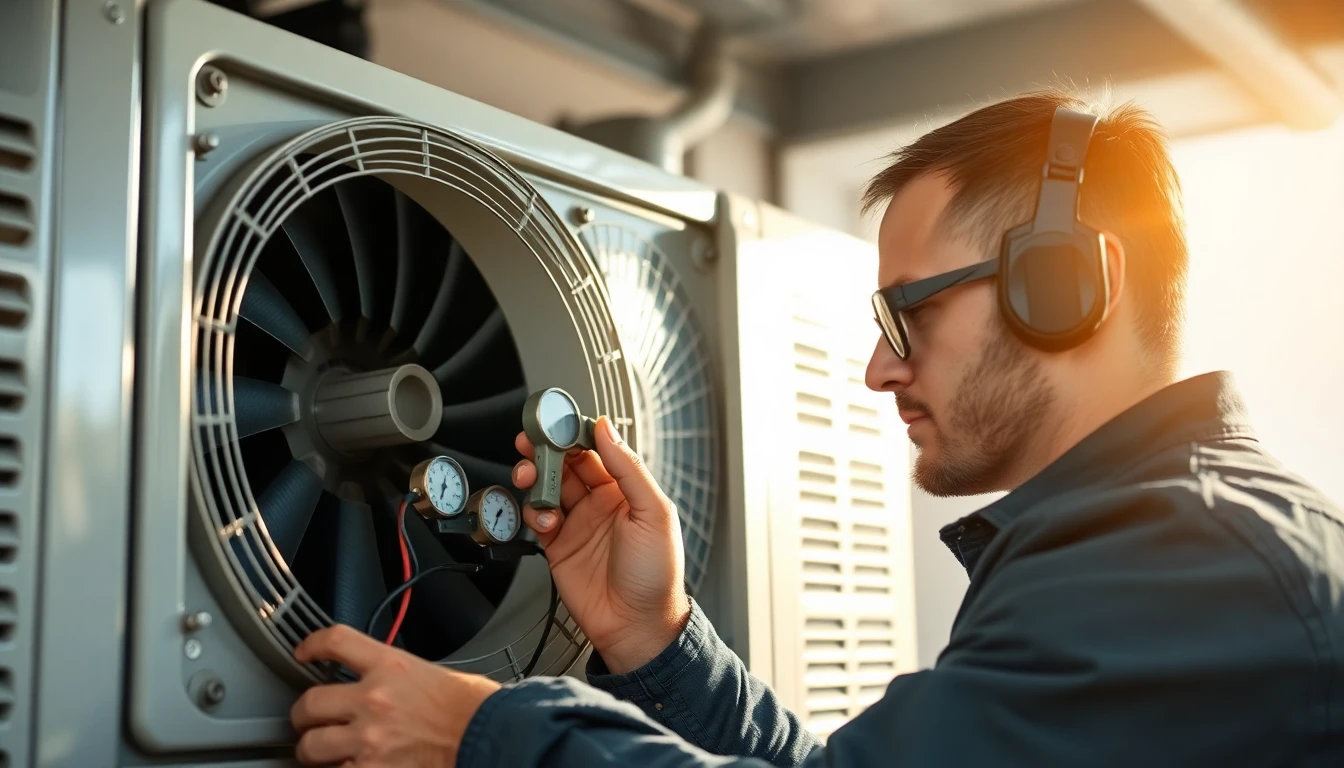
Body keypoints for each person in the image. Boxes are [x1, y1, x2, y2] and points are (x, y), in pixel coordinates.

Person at [286, 89, 1344, 767]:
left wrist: (479, 734)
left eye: (908, 316)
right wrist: (656, 639)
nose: (878, 370)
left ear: (1066, 287)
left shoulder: (1194, 565)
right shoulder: (1159, 548)